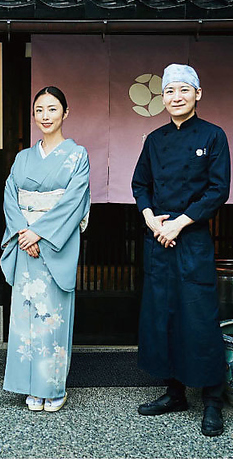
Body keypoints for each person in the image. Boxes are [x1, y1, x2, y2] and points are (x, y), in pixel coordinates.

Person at [132, 64, 231, 437]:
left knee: (199, 318)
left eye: (184, 91)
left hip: (192, 239)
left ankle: (212, 400)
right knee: (165, 314)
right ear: (163, 98)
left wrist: (179, 223)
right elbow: (140, 184)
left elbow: (217, 190)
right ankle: (174, 393)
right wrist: (153, 220)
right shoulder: (154, 139)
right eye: (170, 91)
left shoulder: (213, 135)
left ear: (198, 95)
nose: (176, 97)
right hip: (159, 239)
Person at [1, 86, 90, 412]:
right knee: (25, 319)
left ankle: (52, 387)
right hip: (26, 245)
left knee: (52, 317)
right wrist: (24, 233)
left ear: (65, 113)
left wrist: (38, 233)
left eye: (52, 109)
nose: (45, 116)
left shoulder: (78, 155)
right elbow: (11, 196)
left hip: (53, 246)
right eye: (39, 110)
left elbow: (73, 201)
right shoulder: (23, 157)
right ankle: (29, 385)